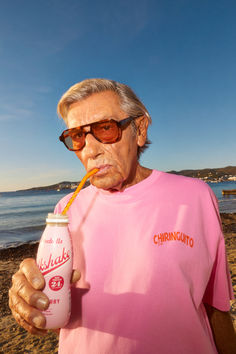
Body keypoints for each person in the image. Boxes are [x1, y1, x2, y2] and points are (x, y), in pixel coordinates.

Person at [9, 79, 236, 354]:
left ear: (139, 130)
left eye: (105, 129)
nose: (89, 150)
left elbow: (215, 307)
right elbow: (57, 312)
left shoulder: (195, 196)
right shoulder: (65, 210)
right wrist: (31, 301)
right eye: (78, 136)